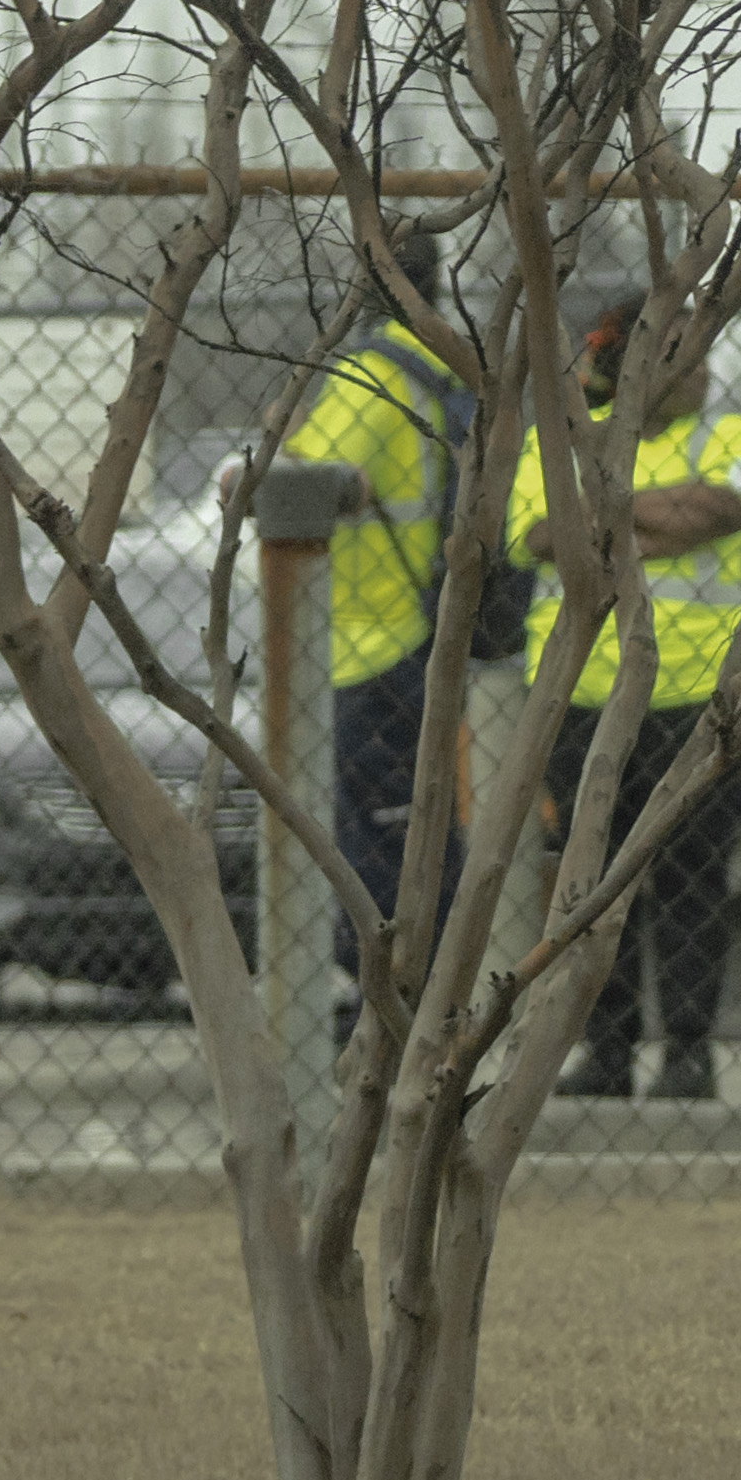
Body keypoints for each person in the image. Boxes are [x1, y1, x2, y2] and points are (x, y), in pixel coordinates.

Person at [511, 271, 741, 1105]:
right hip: (582, 697)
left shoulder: (729, 429)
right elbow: (544, 535)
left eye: (700, 353)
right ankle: (608, 1048)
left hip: (699, 696)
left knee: (694, 878)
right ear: (626, 362)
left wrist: (610, 512)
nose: (697, 369)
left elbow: (725, 512)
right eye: (674, 353)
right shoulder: (562, 436)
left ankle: (689, 1053)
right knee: (591, 882)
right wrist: (651, 516)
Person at [277, 272, 470, 1008]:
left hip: (366, 641)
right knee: (409, 833)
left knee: (368, 845)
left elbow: (314, 476)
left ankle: (393, 1000)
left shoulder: (371, 372)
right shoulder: (434, 364)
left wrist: (262, 453)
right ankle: (411, 996)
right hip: (409, 627)